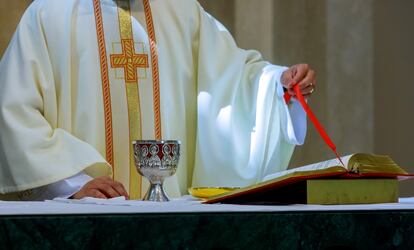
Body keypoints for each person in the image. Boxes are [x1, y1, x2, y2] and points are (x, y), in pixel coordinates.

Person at [0, 0, 316, 201]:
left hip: (171, 220)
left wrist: (278, 87)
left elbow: (230, 80)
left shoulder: (181, 11)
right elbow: (13, 112)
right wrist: (71, 184)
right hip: (86, 218)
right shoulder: (48, 14)